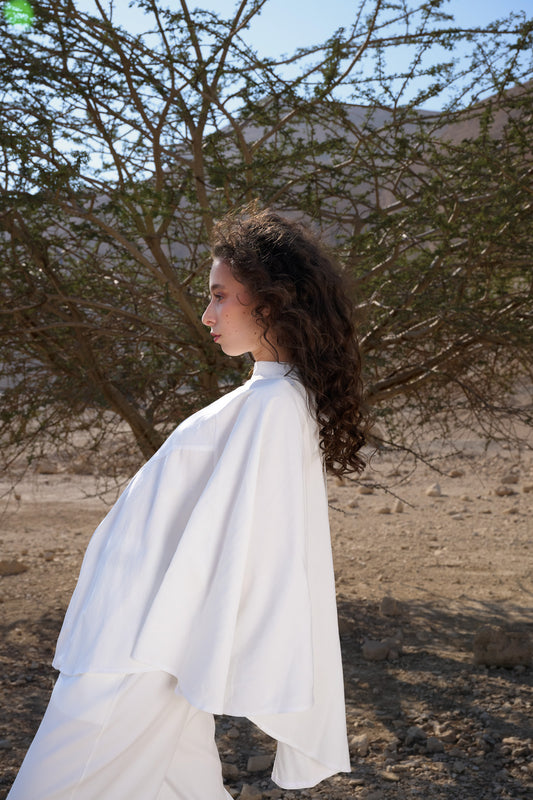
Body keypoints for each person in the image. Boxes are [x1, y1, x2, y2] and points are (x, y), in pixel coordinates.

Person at [7, 206, 367, 800]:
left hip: (136, 654)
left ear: (271, 302)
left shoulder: (274, 408)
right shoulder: (267, 397)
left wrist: (182, 648)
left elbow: (248, 549)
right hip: (141, 647)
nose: (207, 315)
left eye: (220, 296)